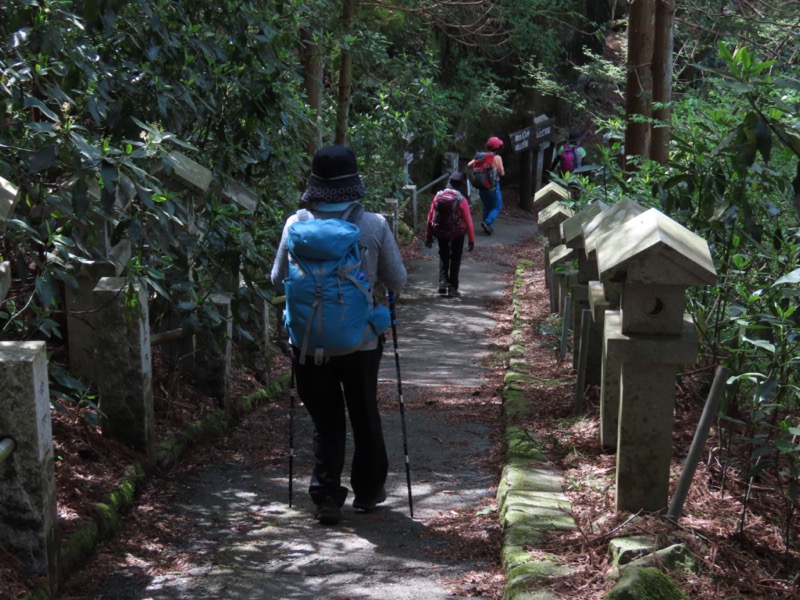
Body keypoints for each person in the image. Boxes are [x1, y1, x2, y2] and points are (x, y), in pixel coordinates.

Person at [270, 145, 408, 525]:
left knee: (326, 421)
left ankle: (327, 497)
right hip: (361, 341)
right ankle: (367, 492)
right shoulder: (374, 224)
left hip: (308, 342)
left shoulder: (295, 223)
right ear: (354, 183)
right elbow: (398, 280)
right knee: (364, 413)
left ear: (314, 184)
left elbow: (275, 278)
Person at [424, 171, 475, 297]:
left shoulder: (438, 196)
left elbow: (430, 217)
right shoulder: (461, 199)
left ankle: (442, 282)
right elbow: (469, 222)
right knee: (456, 259)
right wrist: (471, 240)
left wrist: (428, 235)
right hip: (458, 232)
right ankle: (453, 288)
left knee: (443, 256)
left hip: (441, 231)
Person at [468, 136, 505, 236]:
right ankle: (488, 222)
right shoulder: (497, 158)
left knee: (487, 206)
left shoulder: (480, 156)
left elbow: (469, 164)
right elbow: (501, 173)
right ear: (498, 147)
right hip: (492, 187)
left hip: (481, 186)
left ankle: (488, 227)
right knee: (497, 206)